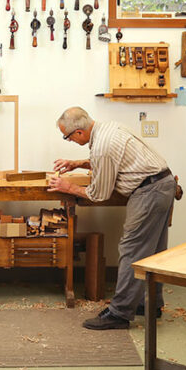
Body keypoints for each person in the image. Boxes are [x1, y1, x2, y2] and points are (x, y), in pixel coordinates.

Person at [48, 107, 176, 330]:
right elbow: (110, 160)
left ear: (78, 132)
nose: (68, 141)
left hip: (149, 192)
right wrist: (78, 163)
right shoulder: (109, 128)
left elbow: (99, 194)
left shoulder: (102, 147)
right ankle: (150, 304)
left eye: (67, 137)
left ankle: (119, 313)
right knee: (153, 250)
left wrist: (68, 187)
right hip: (163, 184)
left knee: (131, 249)